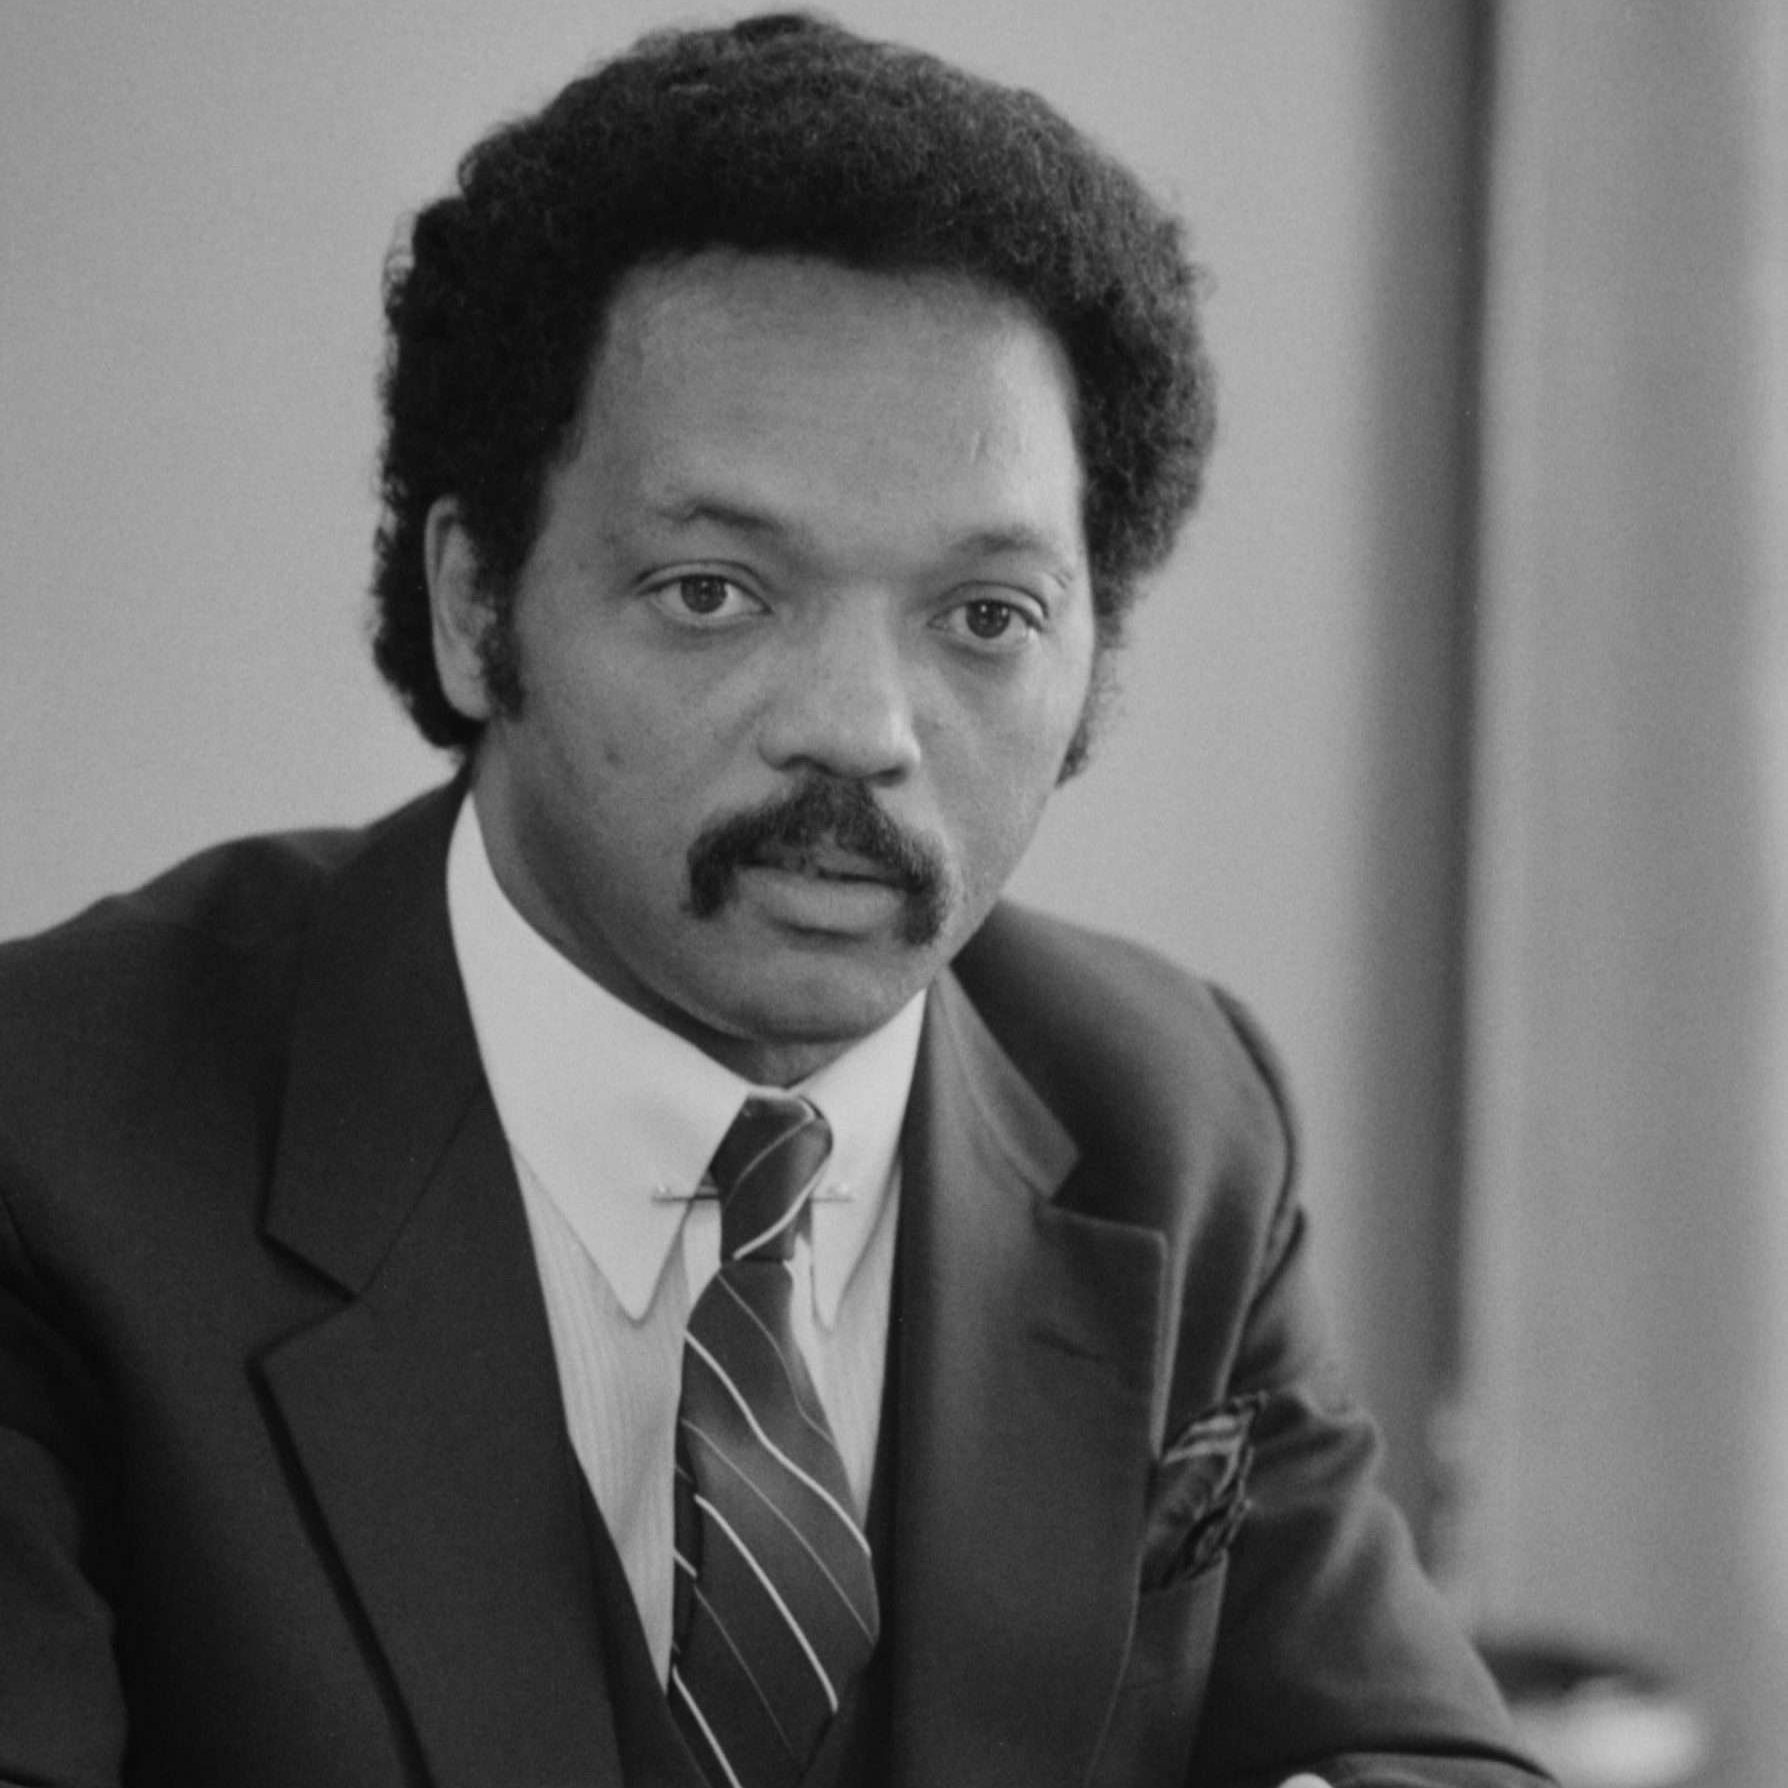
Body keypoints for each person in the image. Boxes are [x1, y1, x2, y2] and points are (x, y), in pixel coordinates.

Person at [0, 14, 1548, 1788]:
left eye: (985, 617)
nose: (863, 732)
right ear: (472, 601)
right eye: (715, 591)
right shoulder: (55, 1133)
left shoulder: (1169, 1121)